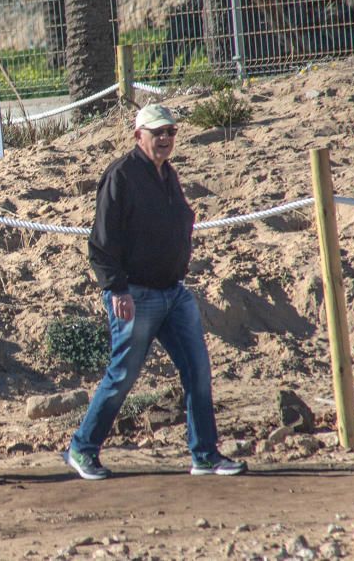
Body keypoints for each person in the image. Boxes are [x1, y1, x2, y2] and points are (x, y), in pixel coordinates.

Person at [62, 104, 246, 480]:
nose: (164, 138)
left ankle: (205, 454)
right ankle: (82, 449)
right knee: (122, 376)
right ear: (138, 136)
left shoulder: (167, 174)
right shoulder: (121, 175)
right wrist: (117, 289)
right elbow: (101, 243)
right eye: (157, 132)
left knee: (197, 371)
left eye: (170, 132)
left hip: (173, 293)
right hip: (135, 294)